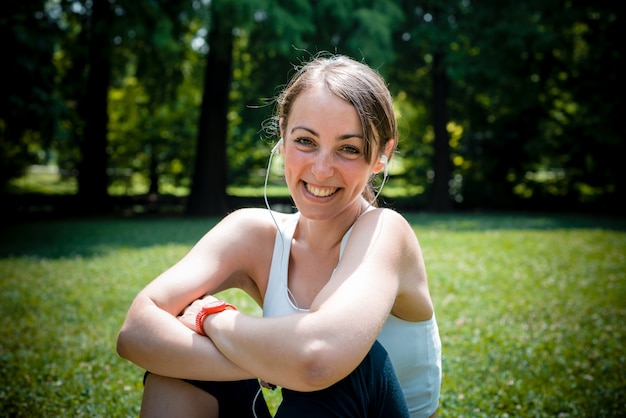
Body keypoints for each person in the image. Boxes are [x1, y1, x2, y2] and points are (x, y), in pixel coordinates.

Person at [117, 52, 442, 418]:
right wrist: (270, 363)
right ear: (283, 136)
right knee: (179, 370)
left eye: (348, 148)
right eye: (305, 141)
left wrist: (212, 316)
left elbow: (318, 360)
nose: (321, 169)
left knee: (347, 362)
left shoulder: (386, 231)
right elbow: (135, 332)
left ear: (382, 155)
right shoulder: (253, 233)